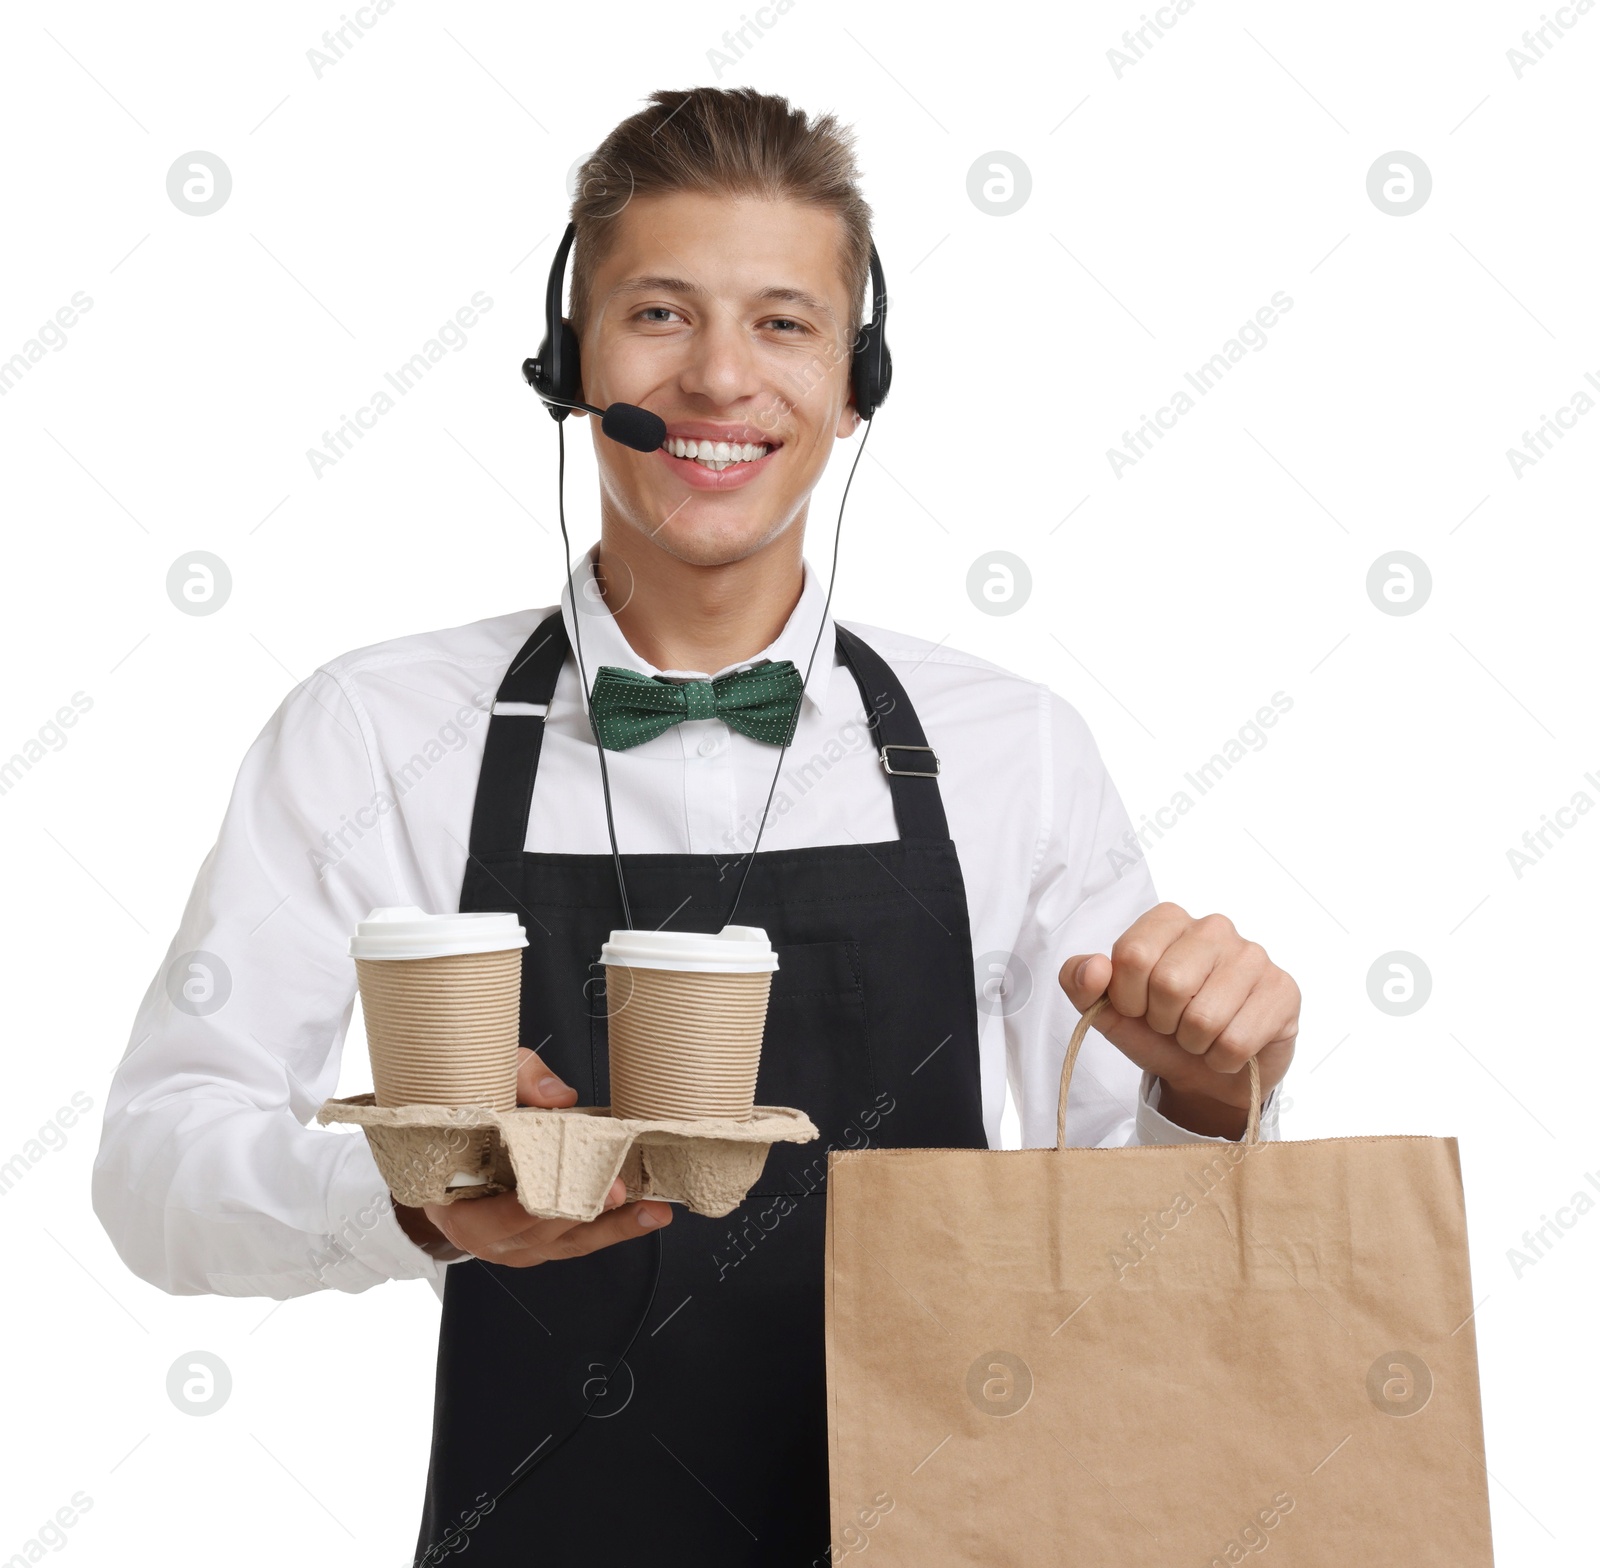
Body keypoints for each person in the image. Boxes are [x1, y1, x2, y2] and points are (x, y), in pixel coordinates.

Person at [94, 86, 1300, 1564]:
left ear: (859, 382)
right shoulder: (374, 733)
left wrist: (1205, 1096)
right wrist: (417, 1196)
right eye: (660, 314)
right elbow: (157, 1165)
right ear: (570, 364)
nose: (724, 379)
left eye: (785, 324)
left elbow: (1131, 1220)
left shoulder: (1014, 751)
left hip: (958, 1528)